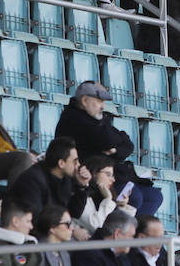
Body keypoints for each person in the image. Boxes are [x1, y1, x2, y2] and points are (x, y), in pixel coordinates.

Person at [53, 80, 163, 216]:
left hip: (114, 174)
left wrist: (115, 150)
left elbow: (128, 145)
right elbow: (109, 140)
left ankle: (134, 227)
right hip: (93, 178)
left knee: (154, 196)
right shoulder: (73, 118)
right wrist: (115, 142)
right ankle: (119, 226)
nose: (103, 106)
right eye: (99, 101)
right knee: (135, 197)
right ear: (85, 101)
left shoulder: (97, 119)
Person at [9, 137, 91, 222]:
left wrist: (82, 186)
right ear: (61, 163)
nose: (78, 165)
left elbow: (75, 213)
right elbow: (35, 219)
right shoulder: (33, 180)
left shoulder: (65, 178)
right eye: (75, 161)